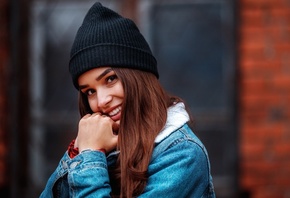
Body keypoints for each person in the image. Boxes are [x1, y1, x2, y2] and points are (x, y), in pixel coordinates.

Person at [40, 2, 215, 198]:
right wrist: (81, 151)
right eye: (89, 91)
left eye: (111, 79)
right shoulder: (98, 146)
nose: (102, 101)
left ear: (138, 75)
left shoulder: (182, 155)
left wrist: (89, 157)